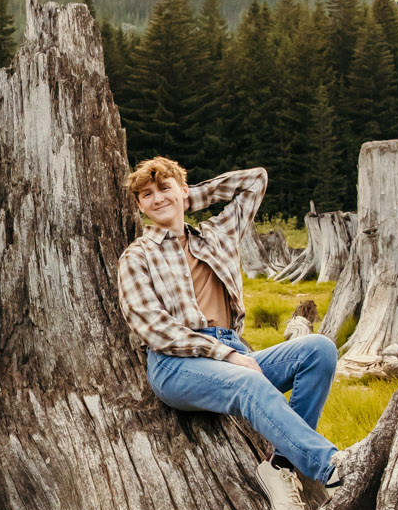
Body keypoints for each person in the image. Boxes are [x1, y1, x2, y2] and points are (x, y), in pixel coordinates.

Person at [116, 157, 341, 493]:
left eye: (164, 188)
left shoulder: (217, 235)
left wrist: (190, 195)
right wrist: (225, 355)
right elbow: (152, 326)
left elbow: (256, 180)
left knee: (319, 350)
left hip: (232, 350)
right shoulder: (137, 256)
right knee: (249, 383)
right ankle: (332, 466)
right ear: (139, 205)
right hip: (176, 365)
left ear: (183, 190)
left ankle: (282, 466)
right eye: (147, 194)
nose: (157, 198)